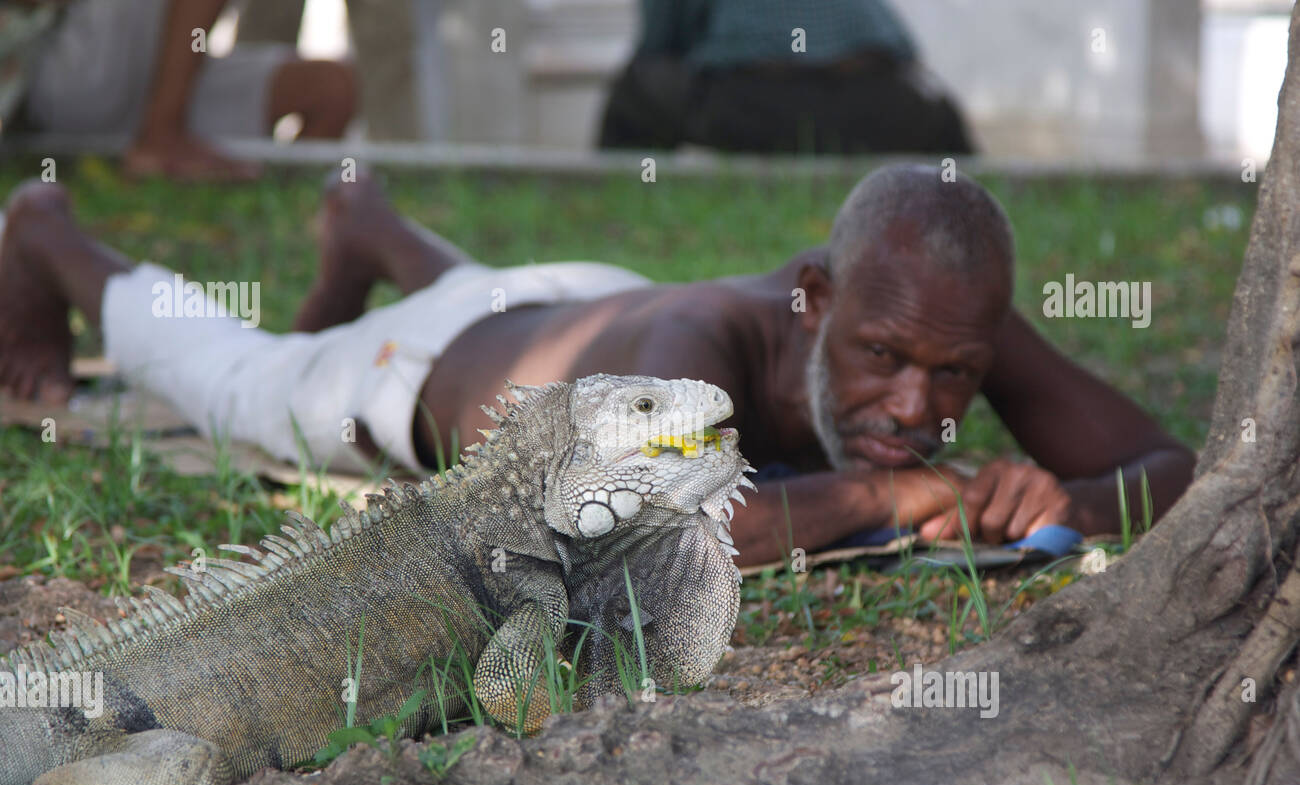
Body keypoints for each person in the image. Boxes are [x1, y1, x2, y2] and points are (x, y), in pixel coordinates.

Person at [0, 164, 1195, 565]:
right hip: (402, 374)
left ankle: (363, 219)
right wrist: (882, 493)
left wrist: (1067, 498)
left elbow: (1180, 465)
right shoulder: (700, 350)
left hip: (564, 307)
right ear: (814, 296)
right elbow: (630, 523)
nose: (916, 402)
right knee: (228, 373)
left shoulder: (936, 313)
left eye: (954, 376)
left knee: (493, 297)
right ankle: (50, 238)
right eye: (883, 357)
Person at [4, 0, 356, 181]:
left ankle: (285, 215)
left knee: (333, 90)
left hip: (144, 85)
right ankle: (161, 137)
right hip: (68, 75)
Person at [599, 0, 972, 154]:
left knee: (635, 91)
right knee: (943, 122)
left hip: (755, 104)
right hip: (878, 104)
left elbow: (658, 44)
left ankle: (618, 205)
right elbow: (901, 49)